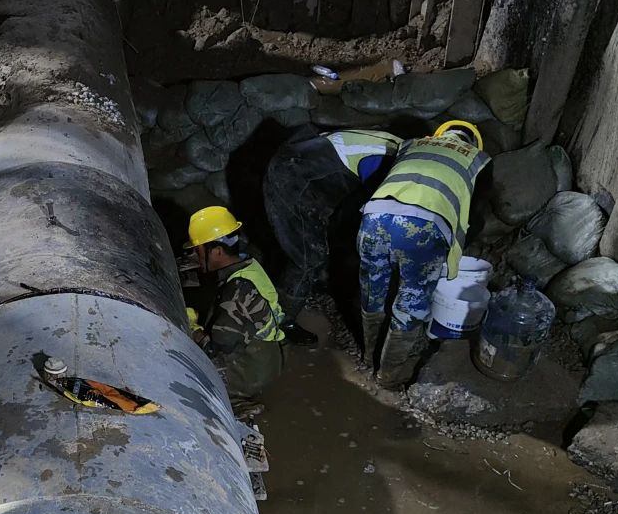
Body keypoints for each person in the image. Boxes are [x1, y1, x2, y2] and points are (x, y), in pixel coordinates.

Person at [357, 120, 491, 388]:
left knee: (373, 291)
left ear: (440, 134)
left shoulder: (411, 144)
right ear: (473, 142)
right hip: (424, 227)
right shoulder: (478, 160)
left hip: (373, 216)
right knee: (411, 302)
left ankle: (369, 358)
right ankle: (387, 376)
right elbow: (475, 216)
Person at [263, 127, 402, 345]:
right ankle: (279, 322)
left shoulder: (404, 148)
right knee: (308, 257)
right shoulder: (390, 166)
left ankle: (310, 282)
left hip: (307, 159)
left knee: (327, 235)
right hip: (293, 174)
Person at [187, 206, 286, 407]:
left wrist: (193, 328)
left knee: (194, 373)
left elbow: (214, 348)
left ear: (217, 251)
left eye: (198, 251)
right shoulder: (250, 265)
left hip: (253, 372)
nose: (195, 258)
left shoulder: (236, 291)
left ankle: (239, 404)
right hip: (273, 355)